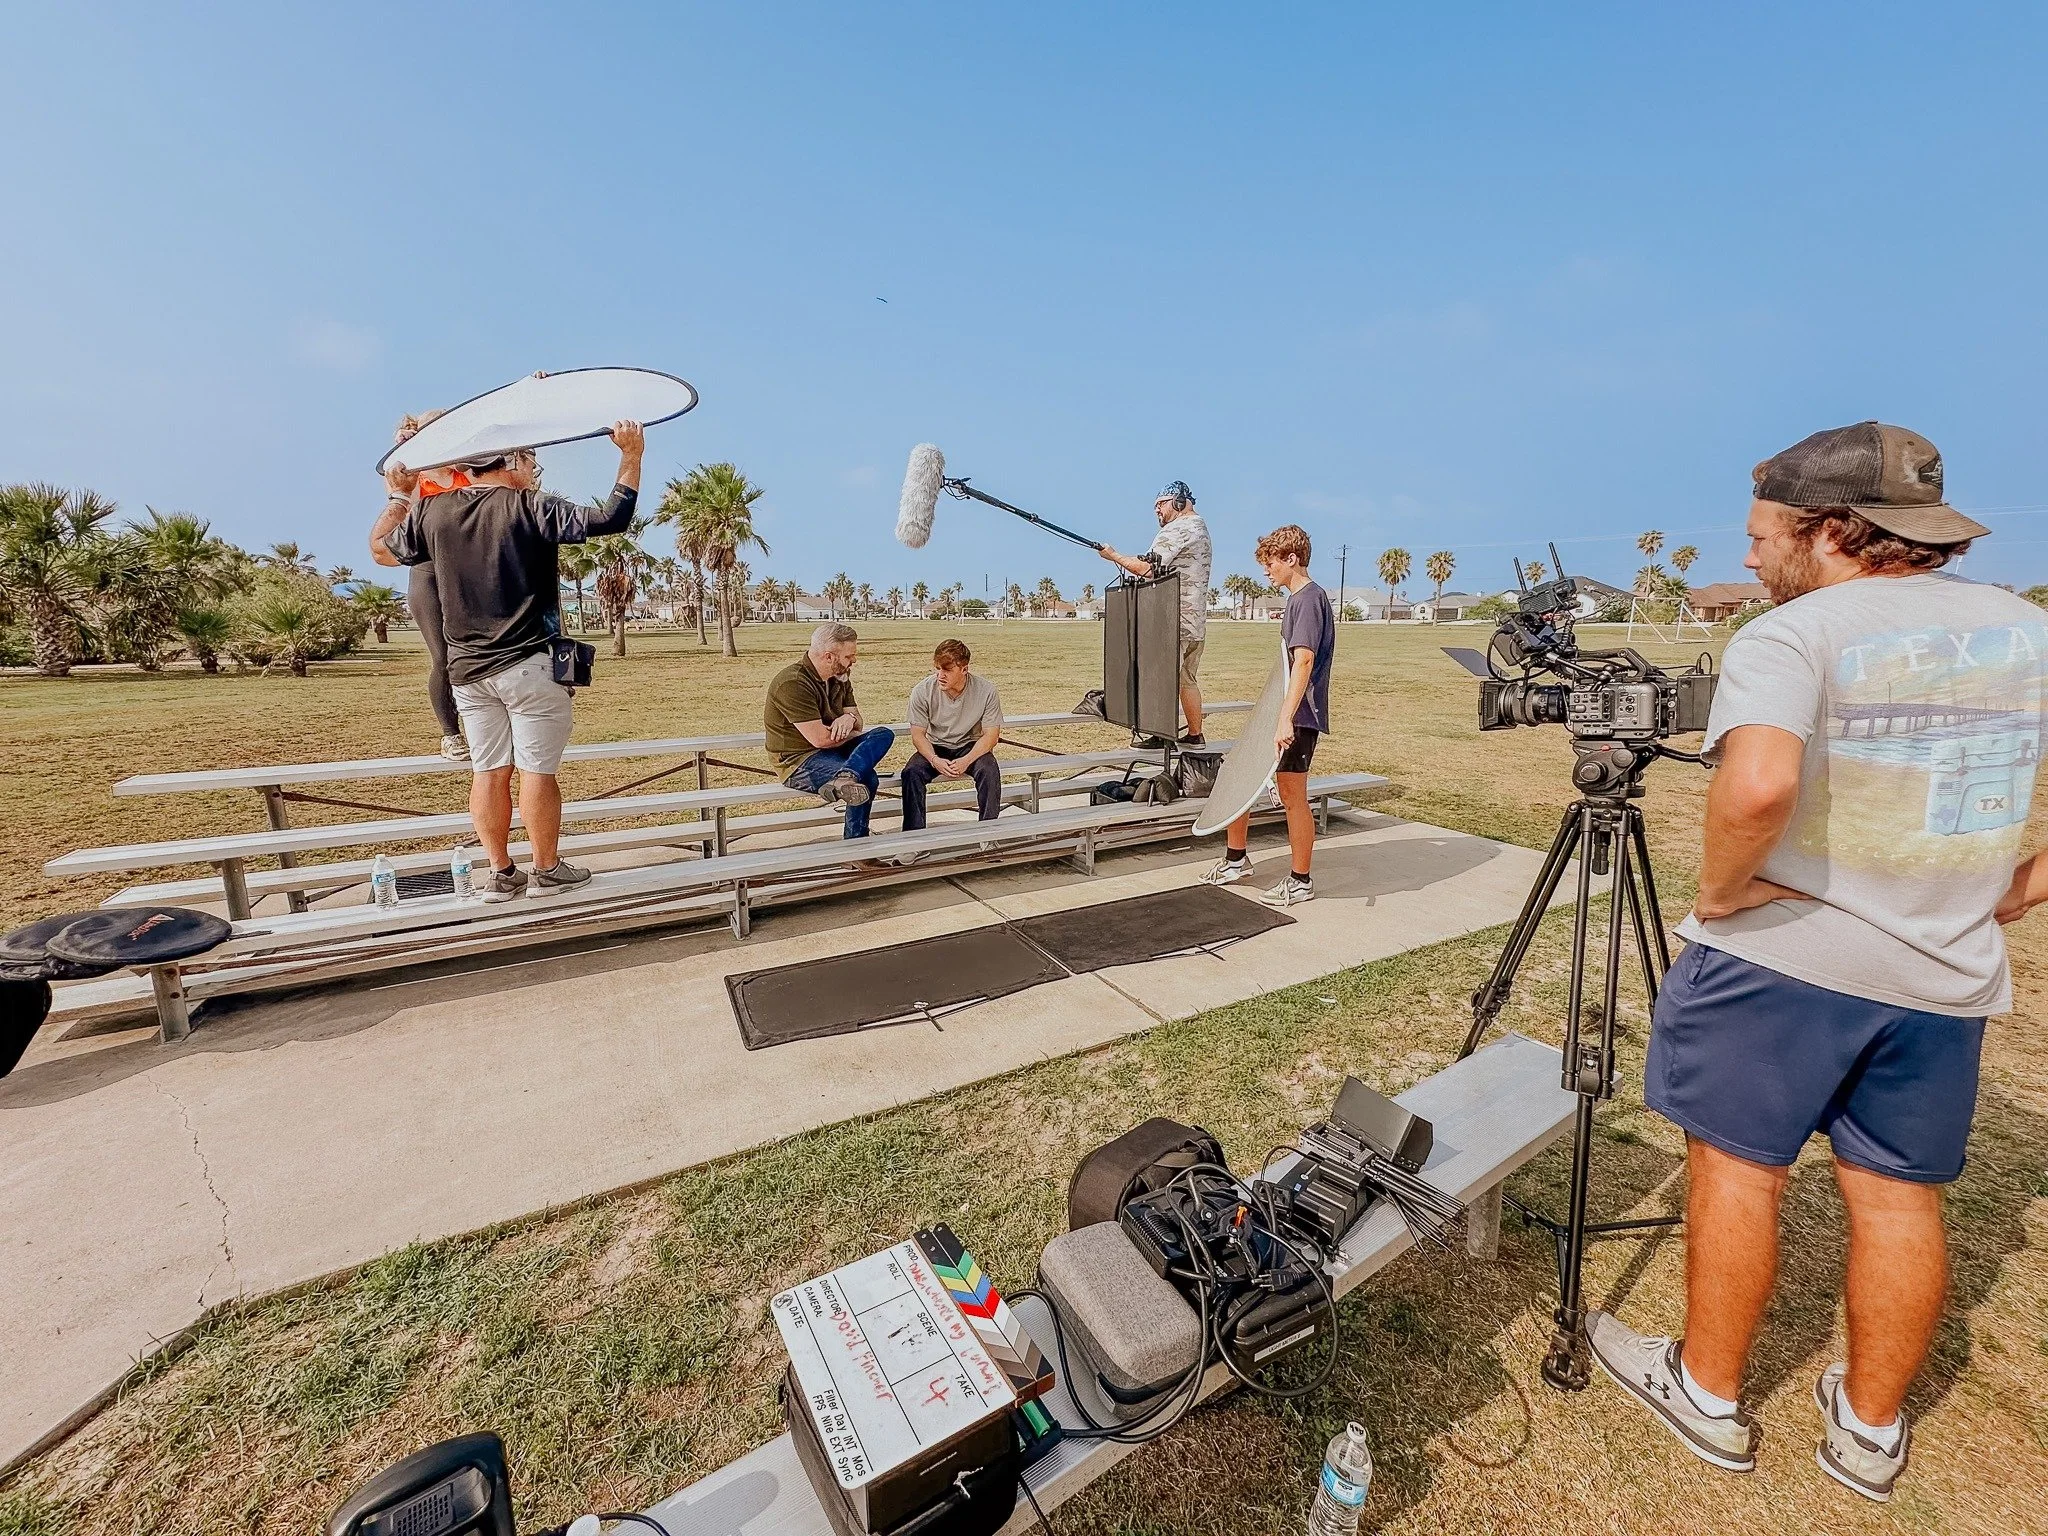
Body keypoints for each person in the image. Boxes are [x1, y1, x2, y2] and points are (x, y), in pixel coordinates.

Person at [1585, 422, 2043, 1504]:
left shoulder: (1796, 635)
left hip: (1782, 966)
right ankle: (1867, 1427)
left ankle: (1704, 1393)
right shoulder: (2019, 628)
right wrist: (2014, 891)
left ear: (1831, 529)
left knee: (1738, 1167)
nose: (1747, 559)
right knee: (1896, 1201)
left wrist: (1720, 894)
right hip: (1942, 975)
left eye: (1761, 536)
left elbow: (1751, 789)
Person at [368, 421, 645, 900]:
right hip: (531, 665)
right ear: (512, 462)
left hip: (468, 675)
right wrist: (632, 455)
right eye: (532, 461)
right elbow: (611, 518)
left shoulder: (432, 513)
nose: (536, 470)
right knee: (537, 770)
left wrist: (398, 495)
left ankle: (500, 873)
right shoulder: (530, 506)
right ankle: (546, 869)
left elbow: (380, 552)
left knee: (489, 770)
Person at [1200, 524, 1334, 907]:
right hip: (1284, 713)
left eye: (1271, 562)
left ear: (1292, 559)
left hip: (1299, 716)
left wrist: (1285, 719)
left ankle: (1301, 880)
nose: (1266, 570)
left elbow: (1304, 660)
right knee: (1236, 773)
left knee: (1293, 795)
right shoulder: (1297, 600)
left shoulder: (1308, 599)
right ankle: (1236, 860)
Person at [1098, 479, 1212, 743]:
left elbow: (1146, 568)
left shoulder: (1179, 528)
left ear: (1178, 502)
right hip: (1194, 624)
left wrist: (1113, 555)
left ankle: (1161, 736)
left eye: (1160, 504)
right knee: (1186, 679)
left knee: (1161, 679)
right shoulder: (1200, 527)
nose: (1156, 511)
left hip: (1174, 622)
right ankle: (1195, 735)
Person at [765, 623, 896, 839]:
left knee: (883, 733)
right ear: (828, 657)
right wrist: (847, 729)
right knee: (866, 778)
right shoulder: (792, 683)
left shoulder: (840, 677)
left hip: (833, 751)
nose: (854, 660)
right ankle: (856, 851)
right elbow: (821, 739)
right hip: (799, 762)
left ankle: (846, 777)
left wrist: (848, 717)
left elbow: (858, 723)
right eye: (849, 656)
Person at [391, 411, 469, 761]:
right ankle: (451, 734)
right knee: (443, 656)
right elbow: (400, 517)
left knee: (477, 650)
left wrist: (534, 391)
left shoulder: (467, 472)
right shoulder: (410, 476)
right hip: (427, 571)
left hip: (469, 572)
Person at [901, 638, 1005, 831]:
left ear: (964, 669)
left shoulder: (986, 690)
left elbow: (991, 737)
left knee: (989, 770)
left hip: (970, 745)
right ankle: (913, 839)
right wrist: (934, 760)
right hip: (935, 746)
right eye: (938, 669)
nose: (940, 675)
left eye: (947, 670)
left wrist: (966, 760)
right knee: (911, 773)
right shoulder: (922, 691)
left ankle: (988, 834)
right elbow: (918, 736)